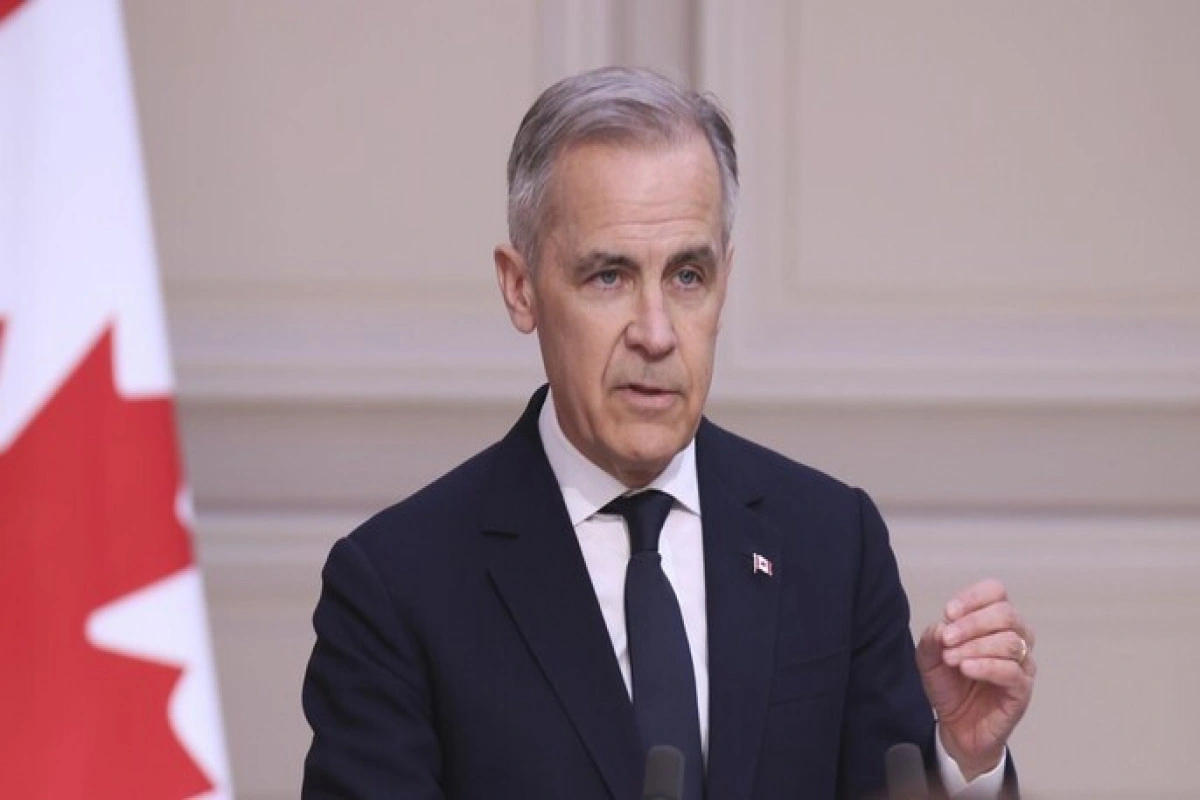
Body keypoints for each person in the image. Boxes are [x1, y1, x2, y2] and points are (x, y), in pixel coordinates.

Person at [301, 66, 1036, 800]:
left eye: (687, 276)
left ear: (725, 281)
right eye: (609, 277)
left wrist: (961, 766)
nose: (655, 334)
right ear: (520, 287)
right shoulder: (398, 587)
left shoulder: (832, 542)